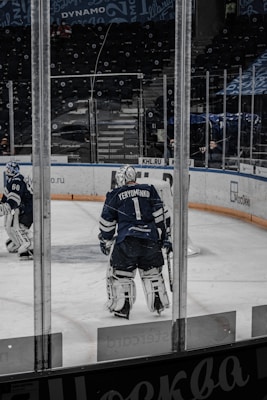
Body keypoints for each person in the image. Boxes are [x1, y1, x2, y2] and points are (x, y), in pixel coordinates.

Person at [98, 164, 172, 319]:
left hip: (127, 241)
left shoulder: (114, 194)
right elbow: (162, 216)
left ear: (121, 178)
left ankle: (122, 307)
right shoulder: (149, 190)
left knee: (121, 274)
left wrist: (105, 239)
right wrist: (166, 237)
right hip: (151, 240)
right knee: (152, 273)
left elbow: (107, 223)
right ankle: (158, 302)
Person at [0, 161, 33, 260]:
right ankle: (17, 243)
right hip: (20, 208)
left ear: (14, 170)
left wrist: (6, 208)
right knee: (8, 226)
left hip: (27, 208)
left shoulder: (17, 180)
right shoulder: (11, 180)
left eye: (9, 169)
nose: (7, 171)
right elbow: (6, 197)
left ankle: (28, 247)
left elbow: (14, 199)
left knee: (18, 227)